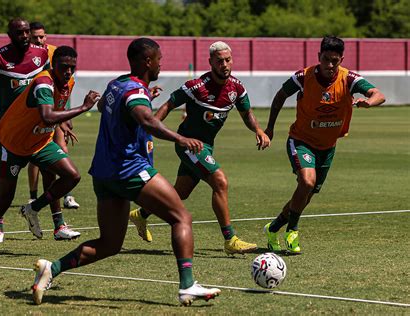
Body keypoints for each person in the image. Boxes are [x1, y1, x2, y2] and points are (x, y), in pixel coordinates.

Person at [31, 38, 221, 306]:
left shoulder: (117, 84)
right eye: (158, 59)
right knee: (182, 217)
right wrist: (180, 139)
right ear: (147, 61)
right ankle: (188, 285)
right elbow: (144, 118)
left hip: (104, 174)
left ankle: (52, 268)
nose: (160, 63)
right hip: (130, 169)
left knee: (109, 244)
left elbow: (107, 108)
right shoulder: (135, 92)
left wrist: (145, 100)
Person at [129, 41, 270, 255]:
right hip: (188, 144)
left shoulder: (237, 88)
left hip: (207, 147)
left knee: (180, 193)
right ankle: (230, 239)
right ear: (210, 62)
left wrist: (258, 130)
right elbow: (168, 105)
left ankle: (142, 213)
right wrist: (152, 129)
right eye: (220, 61)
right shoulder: (196, 87)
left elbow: (246, 113)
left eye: (228, 60)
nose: (224, 64)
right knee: (220, 181)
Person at [0, 46, 100, 254]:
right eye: (64, 67)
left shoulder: (69, 82)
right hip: (13, 143)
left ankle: (33, 208)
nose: (68, 71)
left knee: (72, 176)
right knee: (4, 199)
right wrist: (83, 108)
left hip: (40, 142)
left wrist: (62, 121)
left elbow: (55, 109)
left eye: (72, 67)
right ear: (53, 65)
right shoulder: (43, 82)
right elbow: (47, 116)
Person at [263, 36, 385, 254]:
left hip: (327, 147)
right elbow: (280, 95)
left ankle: (273, 228)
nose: (330, 65)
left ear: (341, 59)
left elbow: (378, 94)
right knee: (307, 182)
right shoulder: (303, 76)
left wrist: (369, 101)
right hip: (301, 141)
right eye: (326, 59)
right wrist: (270, 128)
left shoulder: (349, 79)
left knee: (306, 194)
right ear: (319, 56)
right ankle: (292, 230)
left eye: (335, 61)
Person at [0, 18, 51, 244]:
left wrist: (60, 118)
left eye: (27, 31)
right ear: (10, 34)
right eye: (20, 32)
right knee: (5, 182)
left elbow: (49, 85)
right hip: (11, 132)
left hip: (38, 128)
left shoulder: (42, 54)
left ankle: (53, 220)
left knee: (66, 173)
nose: (25, 36)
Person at [28, 21, 80, 210]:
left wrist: (65, 118)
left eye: (42, 36)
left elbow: (64, 89)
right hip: (36, 114)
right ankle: (33, 197)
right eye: (35, 37)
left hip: (53, 112)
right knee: (36, 160)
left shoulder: (54, 53)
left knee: (62, 150)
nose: (40, 40)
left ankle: (66, 195)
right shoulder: (27, 57)